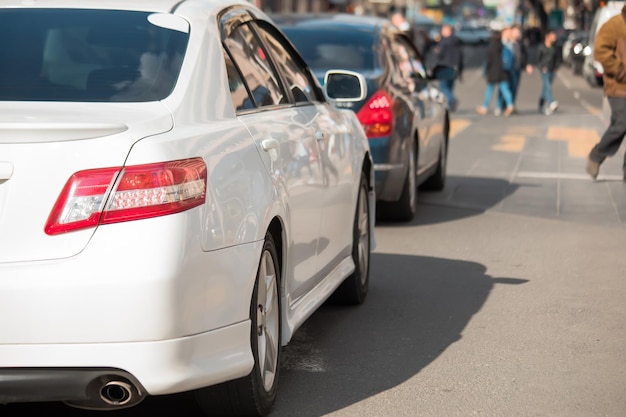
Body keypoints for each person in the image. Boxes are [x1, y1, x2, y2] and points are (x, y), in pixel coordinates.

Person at [585, 4, 626, 181]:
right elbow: (600, 50)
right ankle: (597, 155)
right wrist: (620, 70)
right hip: (619, 86)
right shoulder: (614, 25)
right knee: (621, 124)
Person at [476, 30, 515, 117]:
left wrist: (485, 73)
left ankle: (485, 107)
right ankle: (510, 105)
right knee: (505, 90)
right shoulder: (503, 47)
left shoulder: (491, 48)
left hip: (493, 72)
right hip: (503, 71)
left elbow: (487, 62)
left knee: (489, 90)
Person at [497, 25, 533, 114]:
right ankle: (502, 105)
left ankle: (511, 105)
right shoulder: (506, 43)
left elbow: (524, 56)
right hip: (506, 69)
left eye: (519, 32)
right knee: (504, 87)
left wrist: (526, 65)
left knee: (514, 87)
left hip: (517, 68)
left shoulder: (520, 44)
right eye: (516, 32)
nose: (518, 34)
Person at [432, 24, 463, 111]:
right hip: (454, 67)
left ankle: (451, 100)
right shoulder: (456, 41)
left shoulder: (445, 42)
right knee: (449, 87)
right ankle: (450, 104)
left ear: (448, 31)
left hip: (445, 66)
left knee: (443, 87)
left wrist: (436, 51)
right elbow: (460, 56)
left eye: (443, 30)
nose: (442, 32)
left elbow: (440, 54)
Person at [536, 30, 560, 115]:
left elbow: (557, 59)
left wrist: (556, 67)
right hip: (544, 70)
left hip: (552, 70)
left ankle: (540, 105)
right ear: (547, 36)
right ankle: (551, 102)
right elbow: (538, 60)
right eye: (552, 36)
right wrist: (542, 67)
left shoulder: (555, 47)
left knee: (545, 88)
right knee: (547, 86)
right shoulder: (541, 47)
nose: (554, 38)